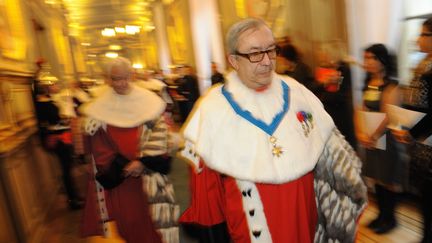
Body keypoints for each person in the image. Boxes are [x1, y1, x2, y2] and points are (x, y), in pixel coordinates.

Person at [179, 18, 367, 243]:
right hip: (252, 229)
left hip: (307, 223)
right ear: (234, 60)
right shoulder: (211, 109)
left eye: (271, 50)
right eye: (255, 53)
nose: (267, 61)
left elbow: (336, 160)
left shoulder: (298, 92)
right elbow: (207, 201)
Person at [80, 57, 170, 243]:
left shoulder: (149, 100)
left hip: (149, 175)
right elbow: (98, 145)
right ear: (107, 79)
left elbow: (161, 134)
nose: (120, 83)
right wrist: (123, 166)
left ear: (132, 75)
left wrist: (143, 162)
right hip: (122, 178)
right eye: (115, 79)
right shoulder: (99, 107)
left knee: (155, 222)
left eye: (124, 77)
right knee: (128, 222)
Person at [354, 44, 403, 234]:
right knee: (376, 177)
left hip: (386, 138)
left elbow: (389, 114)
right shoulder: (369, 83)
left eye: (372, 58)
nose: (368, 62)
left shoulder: (391, 85)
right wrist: (360, 133)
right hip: (370, 138)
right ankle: (381, 215)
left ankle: (390, 219)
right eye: (366, 58)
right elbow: (360, 108)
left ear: (383, 60)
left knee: (387, 179)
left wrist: (373, 135)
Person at [396, 17, 432, 243]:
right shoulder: (424, 65)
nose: (417, 38)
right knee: (426, 198)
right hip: (422, 143)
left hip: (428, 145)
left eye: (423, 34)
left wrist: (410, 132)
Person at [34, 79, 83, 210]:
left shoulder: (46, 101)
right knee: (66, 169)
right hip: (58, 139)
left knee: (68, 168)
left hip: (61, 137)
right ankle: (72, 199)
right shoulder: (42, 103)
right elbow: (52, 121)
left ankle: (75, 196)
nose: (56, 86)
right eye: (53, 85)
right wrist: (63, 119)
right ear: (45, 88)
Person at [313, 42, 357, 149]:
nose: (324, 56)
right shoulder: (328, 69)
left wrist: (323, 96)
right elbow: (313, 89)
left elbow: (342, 95)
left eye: (326, 53)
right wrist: (325, 84)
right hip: (330, 113)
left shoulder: (344, 70)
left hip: (341, 114)